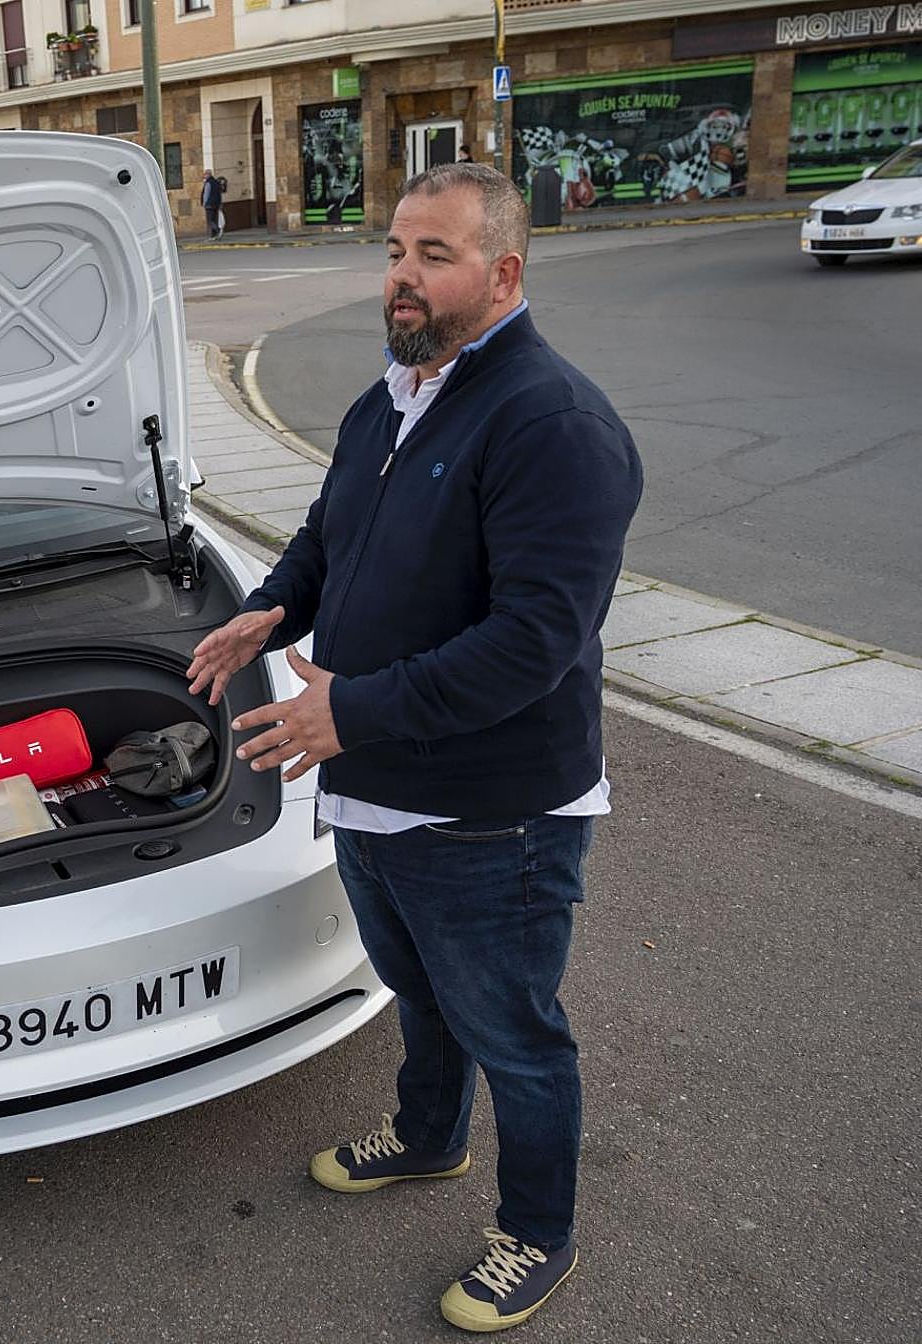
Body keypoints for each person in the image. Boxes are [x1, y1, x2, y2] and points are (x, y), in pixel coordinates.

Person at [186, 163, 641, 1333]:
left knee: (515, 1035)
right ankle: (430, 1136)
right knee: (419, 994)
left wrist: (351, 714)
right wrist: (271, 609)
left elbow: (533, 644)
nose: (402, 275)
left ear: (504, 274)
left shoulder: (553, 424)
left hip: (492, 816)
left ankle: (538, 1232)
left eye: (435, 255)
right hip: (377, 791)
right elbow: (329, 537)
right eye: (395, 250)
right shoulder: (389, 400)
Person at [200, 169, 226, 240]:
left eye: (205, 174)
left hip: (209, 204)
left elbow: (206, 194)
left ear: (208, 175)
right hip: (216, 204)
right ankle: (213, 236)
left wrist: (204, 203)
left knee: (210, 220)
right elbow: (219, 194)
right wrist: (219, 203)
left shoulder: (208, 183)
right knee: (214, 219)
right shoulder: (216, 182)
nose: (204, 176)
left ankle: (217, 230)